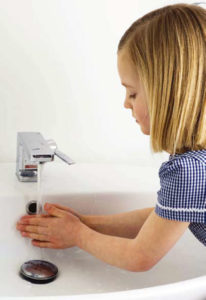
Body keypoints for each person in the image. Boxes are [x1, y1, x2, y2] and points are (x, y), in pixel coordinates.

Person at [16, 3, 206, 272]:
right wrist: (86, 222)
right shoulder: (198, 161)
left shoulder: (188, 171)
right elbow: (163, 217)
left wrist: (77, 235)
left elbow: (139, 257)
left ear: (168, 94)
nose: (126, 104)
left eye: (132, 93)